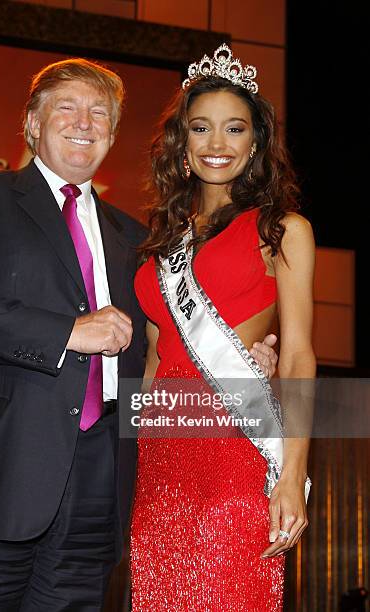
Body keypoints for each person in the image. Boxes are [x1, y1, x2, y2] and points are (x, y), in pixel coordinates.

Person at [0, 57, 279, 611]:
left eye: (99, 113)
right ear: (32, 123)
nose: (84, 122)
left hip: (96, 495)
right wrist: (67, 332)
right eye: (67, 107)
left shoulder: (136, 239)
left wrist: (246, 362)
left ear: (112, 134)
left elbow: (163, 346)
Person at [130, 44, 315, 611]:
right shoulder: (161, 246)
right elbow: (156, 361)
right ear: (181, 144)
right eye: (201, 128)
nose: (217, 144)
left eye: (234, 129)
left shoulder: (283, 230)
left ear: (255, 142)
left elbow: (299, 357)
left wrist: (291, 476)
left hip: (236, 445)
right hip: (162, 458)